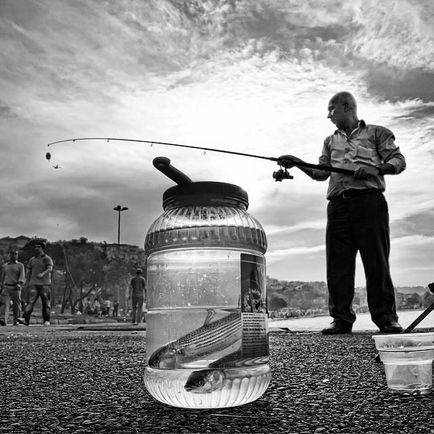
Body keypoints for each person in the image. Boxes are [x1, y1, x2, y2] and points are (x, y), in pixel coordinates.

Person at [278, 91, 406, 335]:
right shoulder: (329, 141)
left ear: (346, 107)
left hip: (370, 203)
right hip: (338, 206)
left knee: (376, 261)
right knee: (338, 265)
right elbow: (321, 173)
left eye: (331, 109)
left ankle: (386, 318)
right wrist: (297, 162)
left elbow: (399, 160)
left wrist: (375, 170)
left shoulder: (378, 133)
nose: (328, 116)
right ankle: (341, 319)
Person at [22, 241, 54, 326]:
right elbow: (28, 269)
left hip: (44, 284)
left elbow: (50, 268)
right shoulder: (32, 259)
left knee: (46, 303)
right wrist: (26, 279)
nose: (36, 248)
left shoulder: (47, 258)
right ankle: (25, 319)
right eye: (35, 247)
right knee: (30, 302)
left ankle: (46, 320)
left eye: (38, 247)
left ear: (42, 248)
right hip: (33, 283)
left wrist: (42, 274)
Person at [0, 250, 26, 326]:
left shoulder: (20, 265)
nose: (13, 255)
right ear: (9, 255)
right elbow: (2, 276)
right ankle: (3, 319)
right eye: (12, 254)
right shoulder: (5, 266)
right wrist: (1, 285)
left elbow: (22, 275)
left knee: (17, 304)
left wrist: (20, 283)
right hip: (6, 287)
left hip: (16, 287)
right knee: (4, 304)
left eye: (15, 254)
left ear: (17, 256)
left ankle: (16, 319)